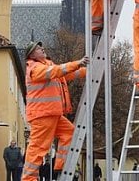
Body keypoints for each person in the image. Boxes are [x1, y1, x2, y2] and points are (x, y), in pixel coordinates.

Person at [21, 41, 89, 181]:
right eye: (39, 48)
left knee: (70, 133)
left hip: (51, 114)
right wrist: (78, 63)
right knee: (38, 148)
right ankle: (28, 178)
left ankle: (61, 165)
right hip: (42, 115)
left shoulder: (47, 66)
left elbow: (67, 74)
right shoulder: (35, 68)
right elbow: (58, 71)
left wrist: (87, 70)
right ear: (32, 54)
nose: (43, 49)